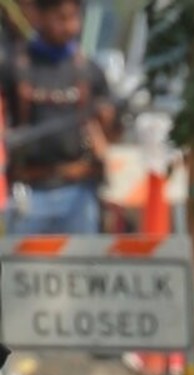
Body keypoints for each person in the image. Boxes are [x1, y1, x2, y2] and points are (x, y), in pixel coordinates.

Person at [0, 0, 115, 235]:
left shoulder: (89, 70)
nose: (70, 26)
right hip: (29, 192)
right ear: (40, 17)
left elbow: (111, 128)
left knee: (83, 258)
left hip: (78, 193)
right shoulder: (15, 66)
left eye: (74, 17)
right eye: (61, 18)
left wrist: (106, 121)